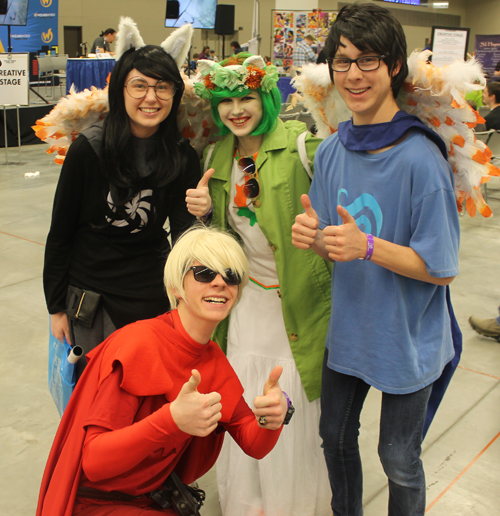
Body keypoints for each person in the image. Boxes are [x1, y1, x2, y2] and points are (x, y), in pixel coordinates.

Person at [292, 3, 460, 516]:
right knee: (335, 439)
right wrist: (313, 236)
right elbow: (331, 240)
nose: (354, 75)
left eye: (368, 60)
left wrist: (367, 245)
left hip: (406, 339)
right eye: (342, 62)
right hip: (350, 332)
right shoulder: (332, 150)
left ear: (392, 67)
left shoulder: (420, 157)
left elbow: (442, 266)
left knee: (399, 458)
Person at [36, 226, 290, 516]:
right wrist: (171, 421)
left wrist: (272, 418)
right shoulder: (139, 346)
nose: (220, 282)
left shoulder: (214, 361)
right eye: (204, 273)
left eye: (231, 276)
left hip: (152, 501)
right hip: (97, 504)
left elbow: (253, 442)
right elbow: (94, 462)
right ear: (175, 288)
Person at [190, 53, 332, 516]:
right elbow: (227, 240)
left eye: (246, 97)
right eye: (226, 100)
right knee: (243, 401)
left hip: (297, 306)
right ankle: (248, 505)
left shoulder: (302, 147)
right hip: (245, 304)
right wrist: (203, 212)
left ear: (266, 96)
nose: (236, 109)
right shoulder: (218, 155)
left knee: (288, 406)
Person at [44, 30, 200, 379]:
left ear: (174, 94)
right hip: (91, 299)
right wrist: (56, 308)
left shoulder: (181, 156)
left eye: (162, 87)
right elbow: (61, 233)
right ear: (121, 90)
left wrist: (200, 212)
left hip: (151, 294)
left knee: (144, 401)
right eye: (140, 85)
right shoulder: (89, 149)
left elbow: (185, 235)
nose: (151, 97)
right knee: (96, 402)